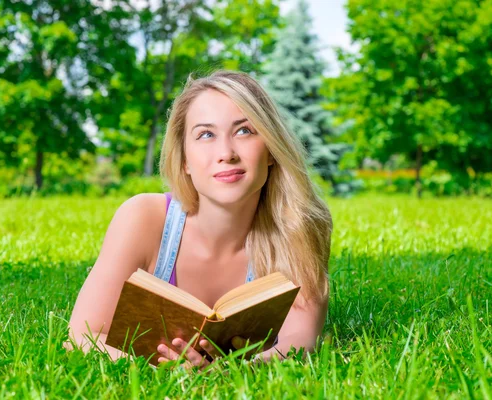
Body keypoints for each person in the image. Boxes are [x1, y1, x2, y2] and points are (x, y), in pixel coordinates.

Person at [64, 70, 333, 370]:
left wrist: (229, 371)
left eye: (244, 131)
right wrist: (162, 372)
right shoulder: (142, 218)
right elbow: (82, 335)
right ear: (185, 161)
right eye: (206, 134)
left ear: (271, 149)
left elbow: (301, 341)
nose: (226, 153)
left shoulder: (299, 225)